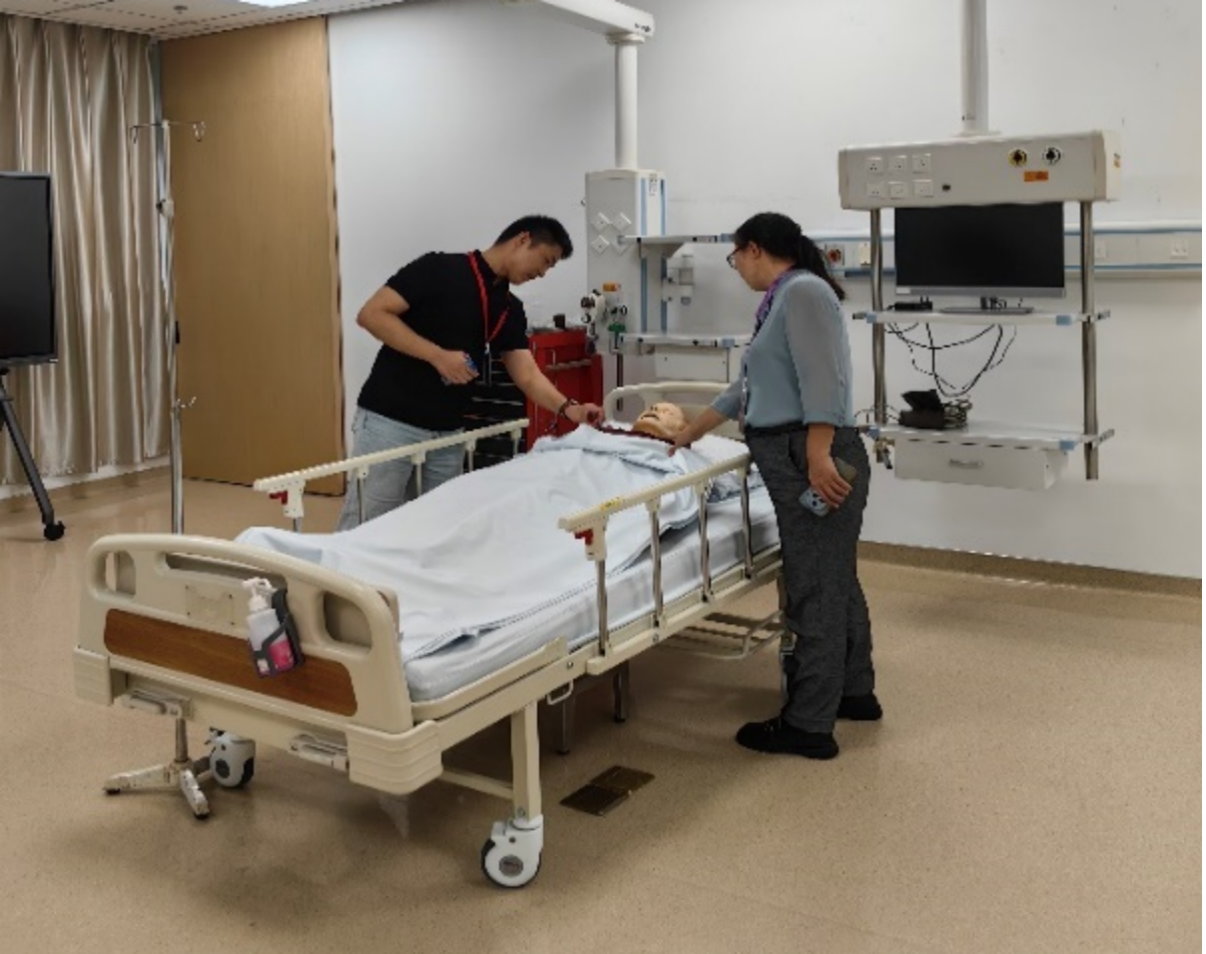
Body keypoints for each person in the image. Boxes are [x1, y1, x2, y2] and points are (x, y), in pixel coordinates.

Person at [670, 212, 880, 760]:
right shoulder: (783, 299)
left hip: (808, 454)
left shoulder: (803, 292)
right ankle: (854, 691)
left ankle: (809, 723)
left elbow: (824, 379)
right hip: (799, 451)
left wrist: (817, 455)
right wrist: (690, 431)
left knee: (814, 586)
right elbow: (747, 387)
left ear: (755, 249)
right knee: (834, 579)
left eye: (735, 257)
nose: (737, 268)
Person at [337, 215, 603, 530]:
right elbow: (371, 314)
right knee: (367, 525)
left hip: (449, 433)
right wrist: (437, 356)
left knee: (435, 528)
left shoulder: (509, 308)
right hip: (392, 423)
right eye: (546, 260)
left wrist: (570, 408)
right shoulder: (438, 269)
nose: (543, 273)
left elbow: (527, 375)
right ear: (522, 240)